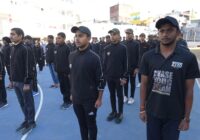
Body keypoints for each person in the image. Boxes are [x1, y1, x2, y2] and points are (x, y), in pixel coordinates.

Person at [139, 16, 200, 140]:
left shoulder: (188, 58)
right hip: (152, 112)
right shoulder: (148, 56)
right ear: (158, 34)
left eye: (169, 30)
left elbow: (189, 91)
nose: (165, 34)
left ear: (177, 32)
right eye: (162, 31)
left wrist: (186, 118)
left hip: (175, 115)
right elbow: (144, 84)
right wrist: (142, 109)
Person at [70, 26, 105, 140]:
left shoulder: (95, 58)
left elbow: (101, 80)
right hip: (76, 99)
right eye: (76, 36)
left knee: (91, 124)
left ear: (88, 38)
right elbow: (73, 77)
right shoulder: (71, 56)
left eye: (80, 36)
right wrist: (72, 93)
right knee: (81, 124)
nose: (77, 38)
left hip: (90, 100)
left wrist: (99, 99)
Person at [10, 28, 36, 134]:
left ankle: (31, 122)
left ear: (21, 36)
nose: (11, 36)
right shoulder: (13, 48)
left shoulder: (26, 49)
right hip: (15, 81)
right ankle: (26, 119)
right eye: (10, 34)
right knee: (22, 103)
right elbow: (12, 66)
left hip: (23, 82)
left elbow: (29, 66)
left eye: (13, 34)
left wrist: (27, 82)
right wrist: (11, 80)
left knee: (28, 102)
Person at [103, 28, 127, 124]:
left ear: (118, 35)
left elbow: (126, 63)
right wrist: (104, 76)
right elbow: (104, 64)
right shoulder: (106, 48)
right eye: (111, 35)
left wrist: (124, 77)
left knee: (120, 96)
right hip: (109, 77)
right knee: (112, 95)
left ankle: (120, 113)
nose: (112, 36)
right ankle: (113, 111)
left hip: (119, 77)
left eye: (114, 34)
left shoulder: (123, 48)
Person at [54, 32, 72, 109]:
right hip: (59, 71)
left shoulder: (67, 48)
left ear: (64, 38)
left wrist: (69, 72)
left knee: (67, 87)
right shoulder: (56, 48)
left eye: (59, 38)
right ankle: (66, 100)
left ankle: (68, 101)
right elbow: (56, 60)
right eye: (57, 38)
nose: (57, 39)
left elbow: (70, 61)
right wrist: (56, 68)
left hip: (66, 72)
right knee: (62, 87)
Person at [123, 28, 140, 104]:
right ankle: (125, 96)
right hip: (125, 68)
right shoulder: (122, 43)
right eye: (127, 33)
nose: (128, 35)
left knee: (132, 83)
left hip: (133, 67)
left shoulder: (136, 44)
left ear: (132, 34)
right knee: (125, 82)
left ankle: (132, 97)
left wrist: (137, 67)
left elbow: (138, 56)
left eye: (129, 33)